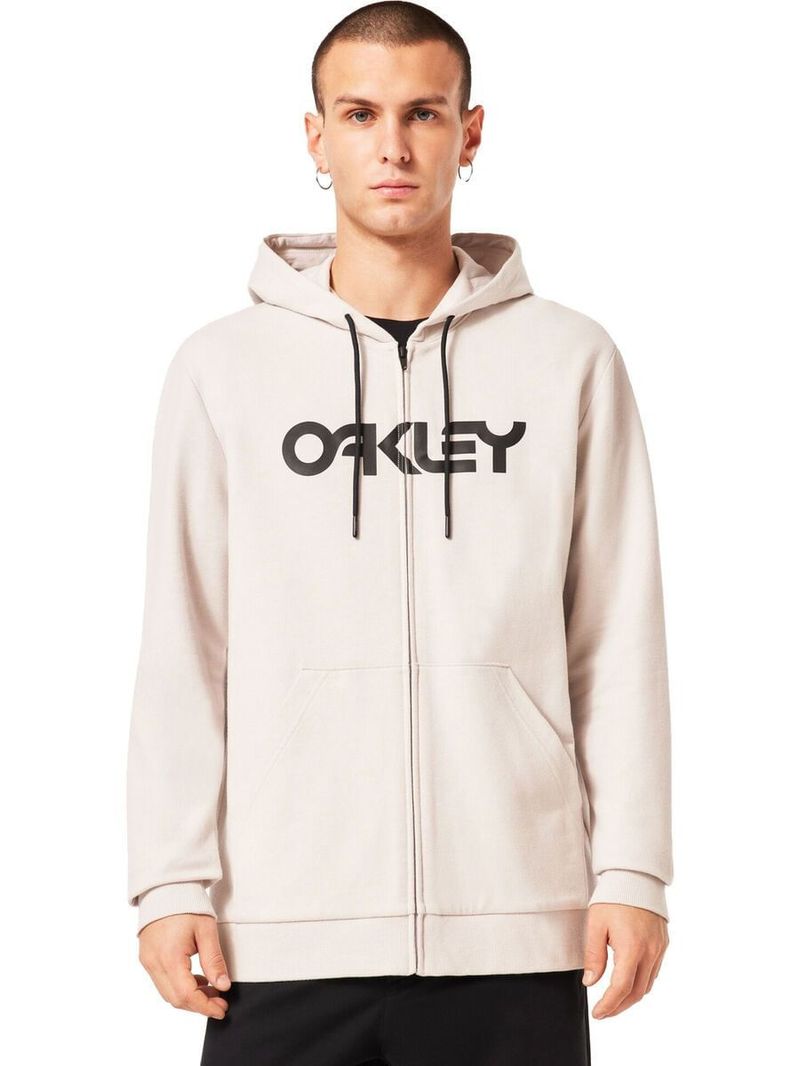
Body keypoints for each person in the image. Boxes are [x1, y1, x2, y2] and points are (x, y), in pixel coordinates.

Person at [126, 3, 673, 1063]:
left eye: (423, 113)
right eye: (359, 114)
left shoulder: (568, 361)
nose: (391, 146)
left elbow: (615, 631)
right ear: (315, 137)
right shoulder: (223, 368)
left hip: (516, 924)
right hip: (276, 930)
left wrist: (633, 870)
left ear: (469, 134)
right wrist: (169, 881)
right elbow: (185, 640)